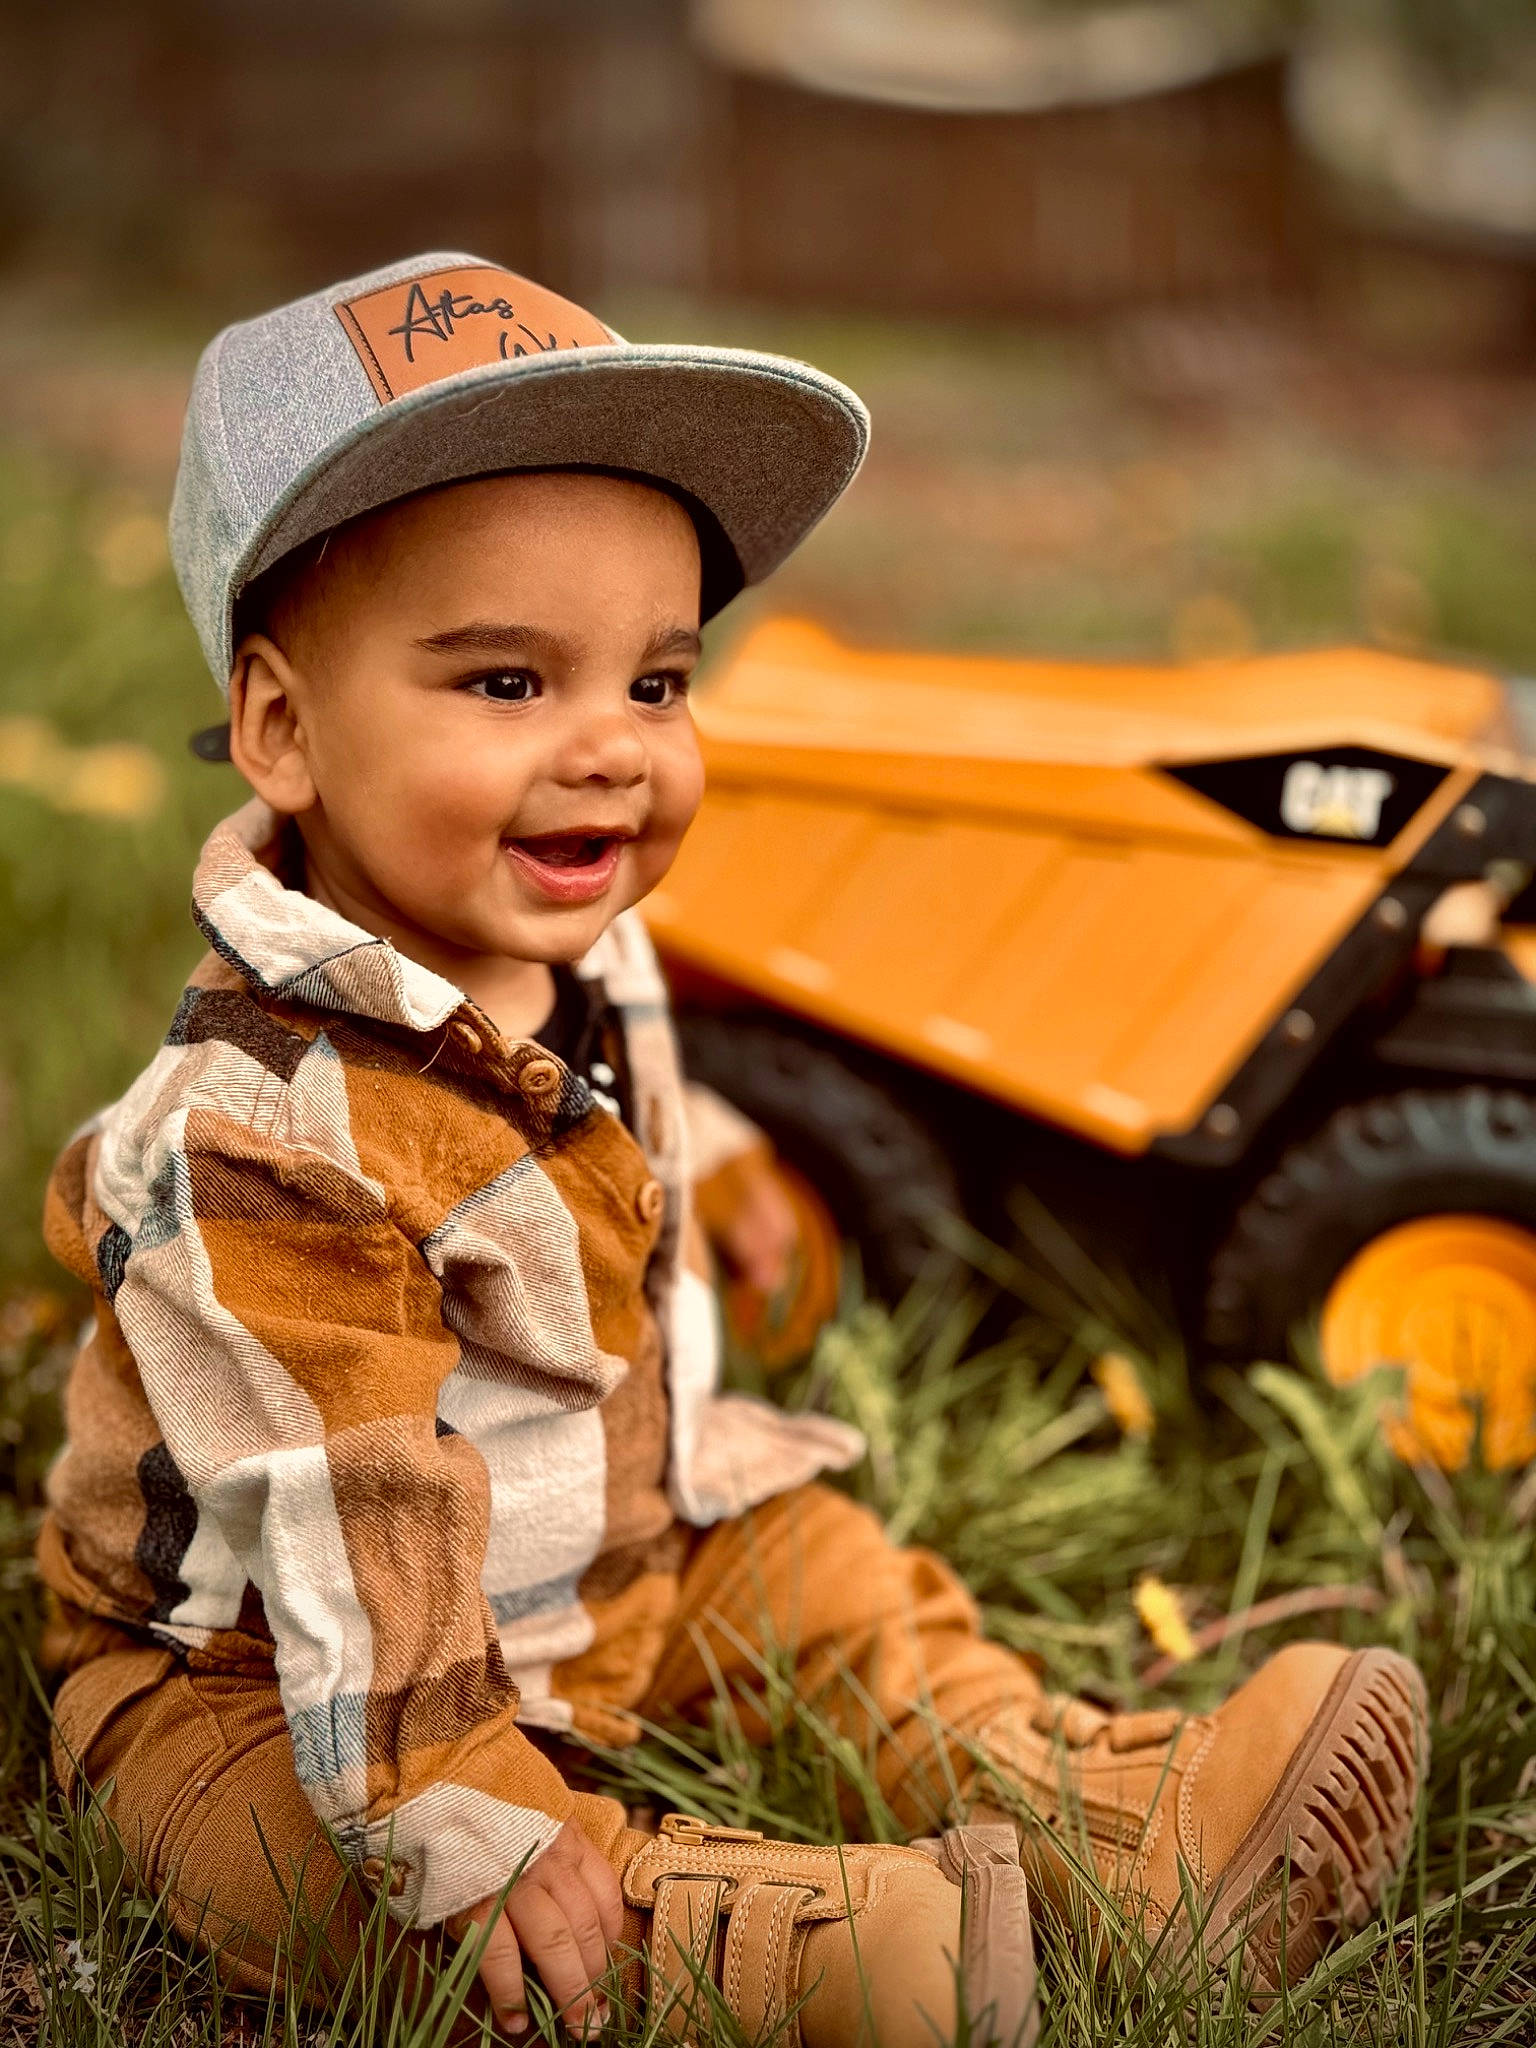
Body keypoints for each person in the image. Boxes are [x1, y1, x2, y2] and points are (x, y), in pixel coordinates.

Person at [38, 254, 1427, 2046]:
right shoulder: (260, 1129)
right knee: (331, 1873)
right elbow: (339, 1489)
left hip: (607, 1549)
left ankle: (1117, 1823)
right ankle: (793, 1958)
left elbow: (592, 1099)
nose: (615, 750)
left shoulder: (570, 944)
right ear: (283, 726)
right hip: (265, 1666)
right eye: (511, 682)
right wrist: (454, 1769)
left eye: (664, 681)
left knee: (827, 1576)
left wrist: (727, 1151)